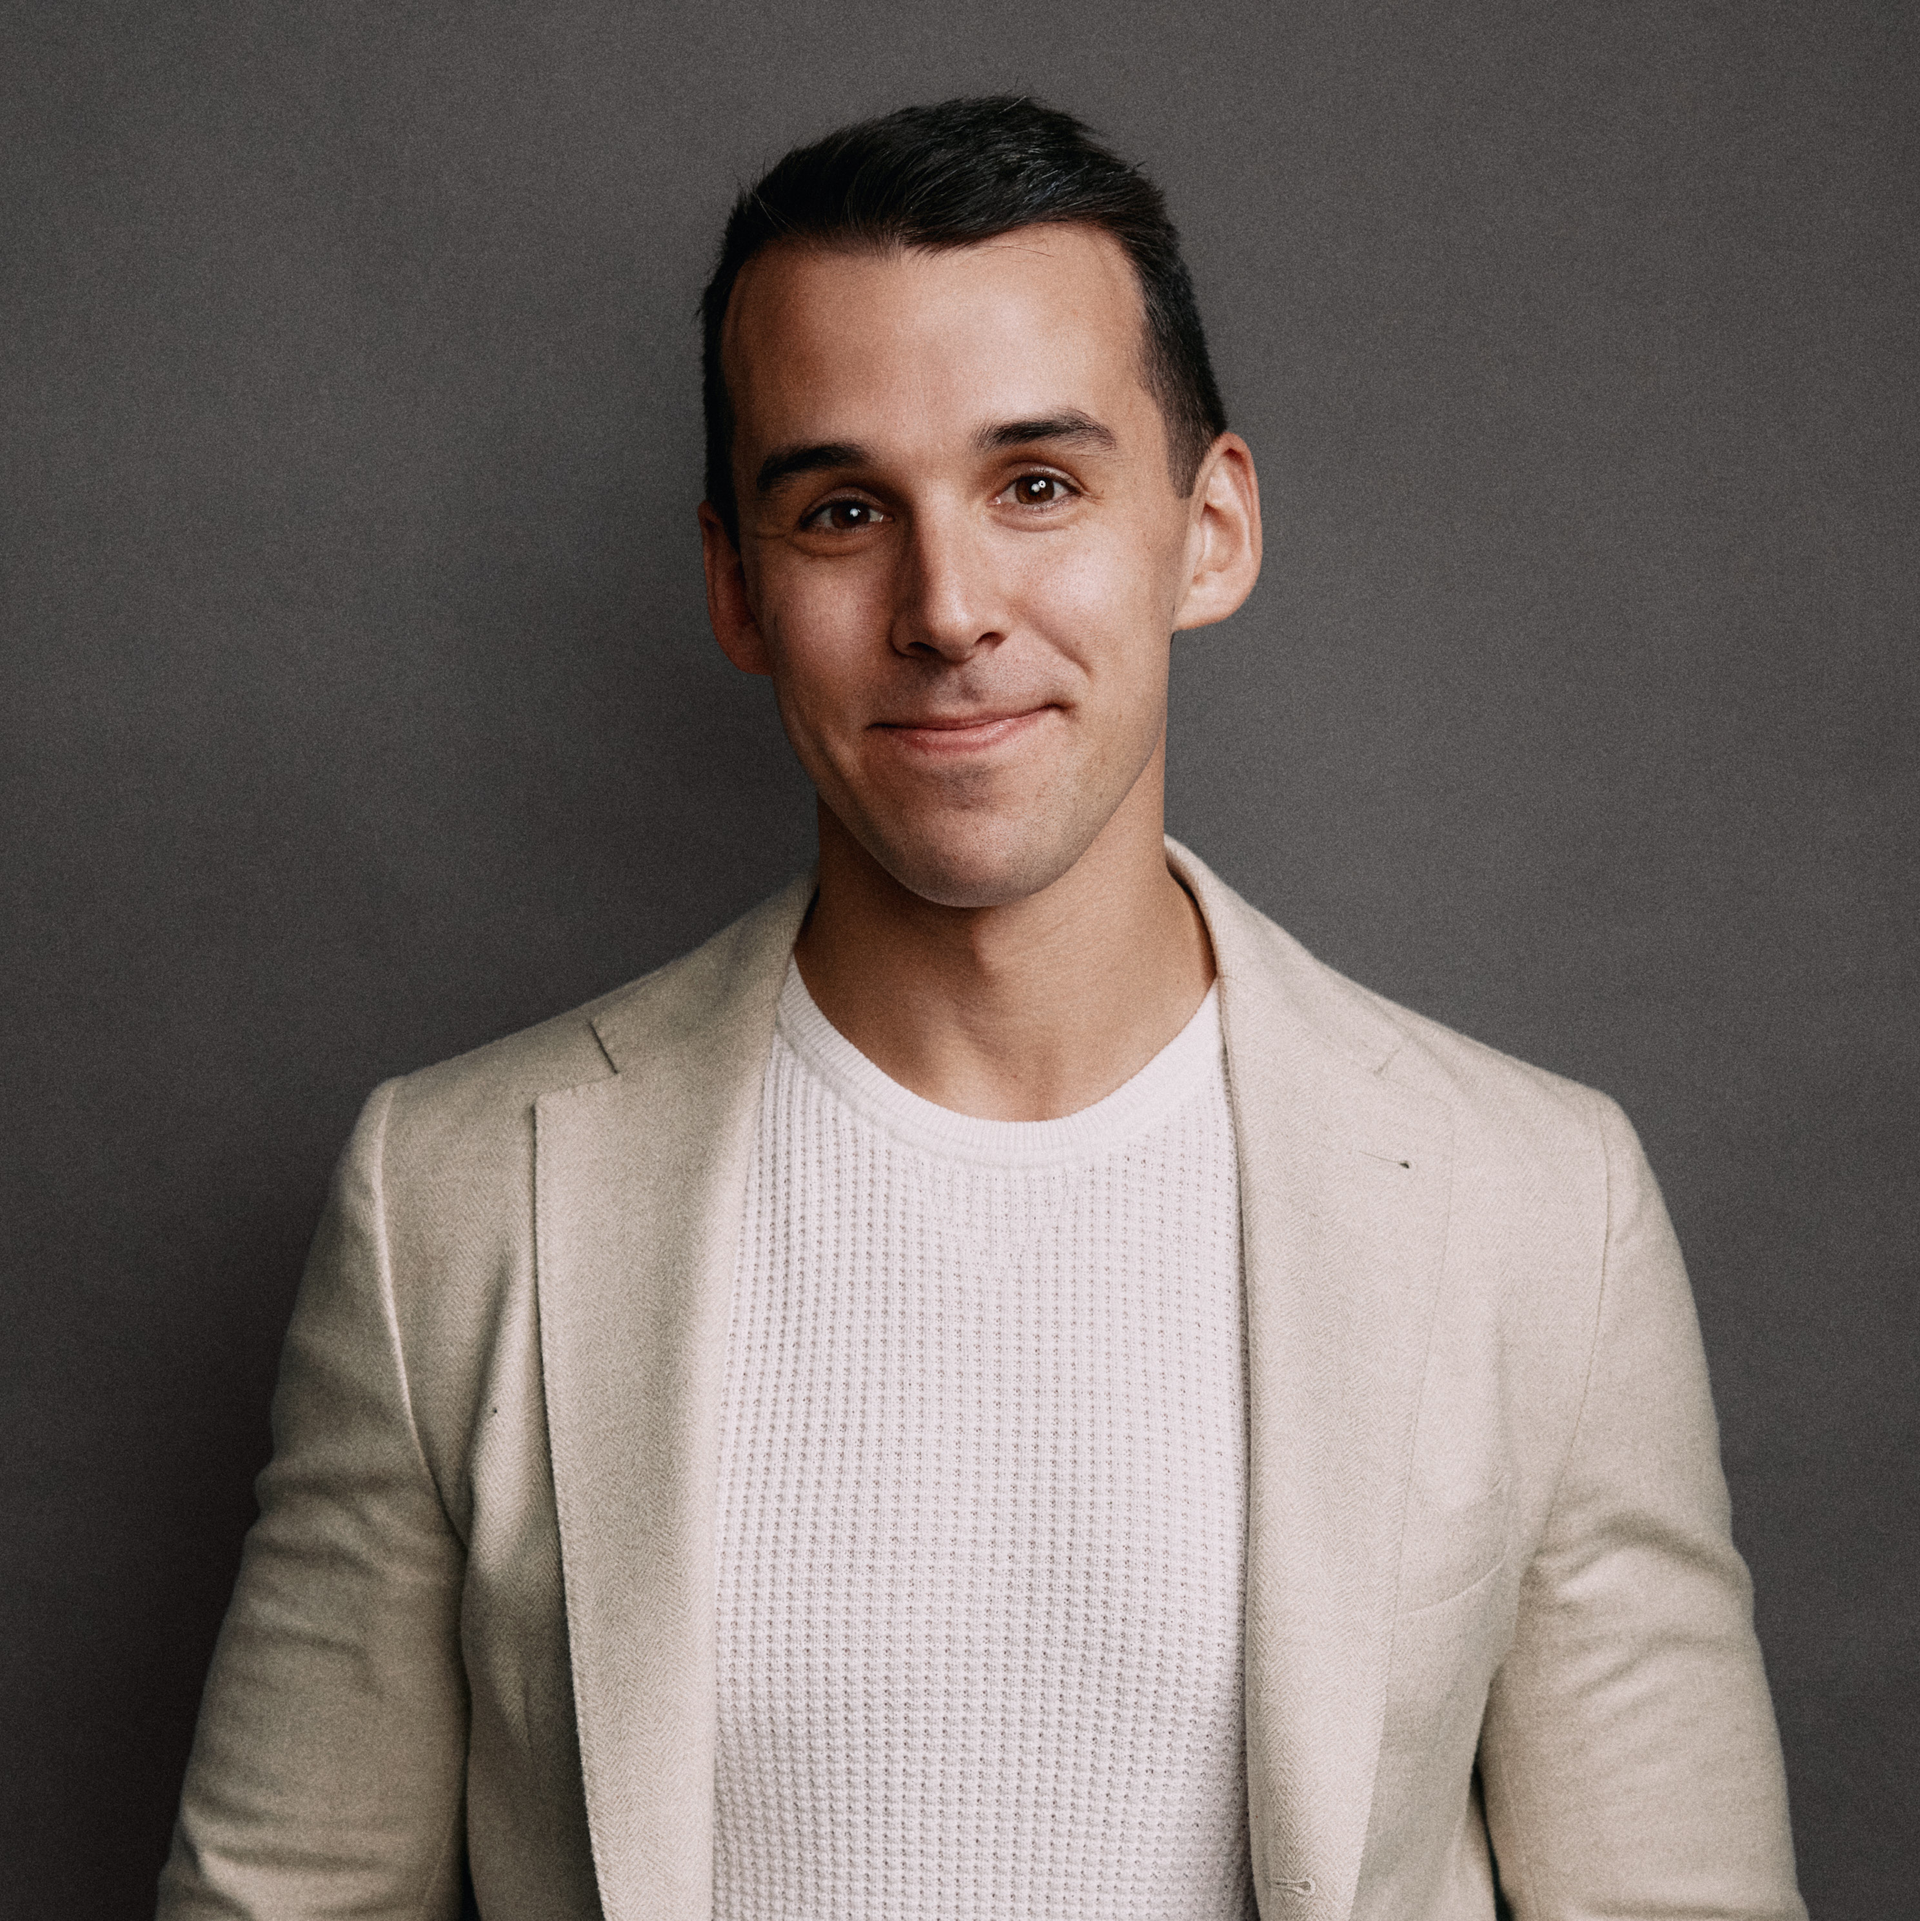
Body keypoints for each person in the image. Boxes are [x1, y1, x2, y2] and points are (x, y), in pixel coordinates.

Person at [158, 96, 1804, 1921]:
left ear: (1208, 529)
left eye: (1036, 485)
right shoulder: (452, 1204)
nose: (947, 610)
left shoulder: (1539, 1206)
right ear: (736, 586)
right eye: (845, 510)